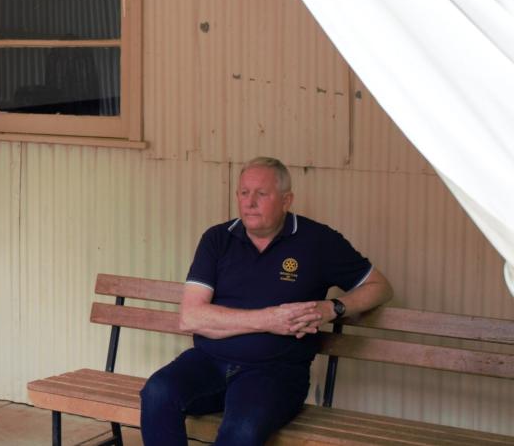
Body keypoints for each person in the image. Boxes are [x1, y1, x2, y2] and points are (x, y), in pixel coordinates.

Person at [140, 157, 393, 446]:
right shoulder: (217, 239)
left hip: (275, 373)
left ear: (286, 200)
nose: (250, 202)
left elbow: (380, 287)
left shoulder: (318, 242)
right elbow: (191, 318)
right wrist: (270, 320)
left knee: (241, 430)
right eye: (244, 193)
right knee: (157, 393)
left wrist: (332, 308)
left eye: (262, 194)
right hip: (208, 363)